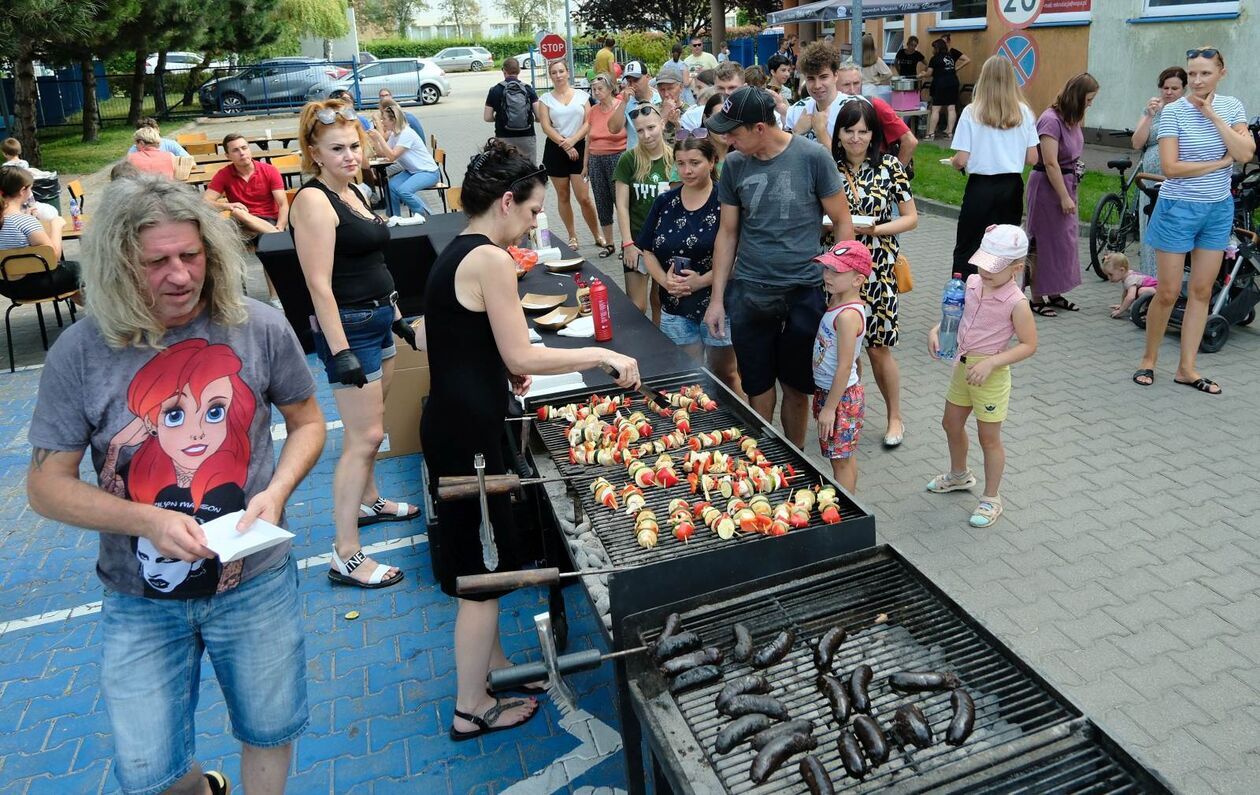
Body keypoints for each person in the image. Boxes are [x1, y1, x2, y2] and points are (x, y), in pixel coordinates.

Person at [26, 174, 325, 795]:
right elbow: (46, 486)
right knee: (147, 770)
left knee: (269, 729)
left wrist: (279, 491)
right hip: (139, 597)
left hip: (255, 577)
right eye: (156, 262)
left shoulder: (257, 325)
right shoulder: (82, 352)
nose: (180, 276)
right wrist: (147, 521)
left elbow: (307, 422)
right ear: (117, 266)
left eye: (191, 256)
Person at [423, 139, 639, 741]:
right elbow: (522, 351)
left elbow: (453, 338)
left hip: (458, 419)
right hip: (468, 434)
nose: (536, 221)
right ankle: (470, 708)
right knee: (482, 576)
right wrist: (600, 353)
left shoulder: (461, 249)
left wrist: (499, 366)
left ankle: (491, 670)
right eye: (534, 210)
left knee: (483, 563)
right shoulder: (490, 258)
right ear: (506, 201)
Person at [290, 100, 419, 589]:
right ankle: (345, 554)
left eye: (354, 146)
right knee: (363, 437)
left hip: (379, 320)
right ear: (314, 153)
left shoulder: (355, 191)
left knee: (374, 427)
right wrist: (340, 350)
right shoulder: (314, 201)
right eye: (337, 149)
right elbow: (318, 285)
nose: (350, 155)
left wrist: (400, 318)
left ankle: (370, 500)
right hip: (351, 328)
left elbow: (372, 265)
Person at [704, 87, 854, 449]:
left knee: (797, 386)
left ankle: (795, 458)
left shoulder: (813, 157)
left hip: (804, 291)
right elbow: (727, 234)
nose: (726, 139)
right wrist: (717, 298)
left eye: (732, 132)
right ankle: (764, 456)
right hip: (751, 292)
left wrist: (843, 293)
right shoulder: (735, 165)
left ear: (759, 128)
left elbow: (843, 223)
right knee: (757, 384)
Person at [1135, 47, 1253, 394]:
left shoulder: (1232, 107)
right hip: (1177, 207)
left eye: (1205, 73)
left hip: (1217, 210)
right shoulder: (1173, 112)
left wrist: (1215, 116)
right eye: (1192, 74)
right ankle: (1148, 360)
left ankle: (1186, 368)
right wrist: (1219, 164)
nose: (1197, 81)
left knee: (1202, 291)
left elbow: (1245, 153)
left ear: (1221, 72)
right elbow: (1172, 168)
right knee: (1169, 292)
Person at [927, 224, 1037, 528]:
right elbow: (955, 315)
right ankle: (959, 475)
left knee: (988, 438)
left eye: (993, 267)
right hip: (962, 366)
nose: (984, 271)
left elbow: (1029, 345)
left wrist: (992, 363)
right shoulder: (973, 282)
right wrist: (937, 330)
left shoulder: (1017, 302)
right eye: (983, 262)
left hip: (990, 374)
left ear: (1016, 268)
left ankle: (991, 498)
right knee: (950, 423)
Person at [832, 99, 918, 448]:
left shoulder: (890, 167)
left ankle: (894, 416)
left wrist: (876, 230)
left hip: (879, 267)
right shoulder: (827, 168)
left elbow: (910, 218)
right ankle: (847, 410)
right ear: (838, 133)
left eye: (863, 131)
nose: (856, 138)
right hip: (837, 271)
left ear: (874, 134)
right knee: (843, 346)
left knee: (879, 348)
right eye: (849, 131)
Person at [636, 136, 740, 394]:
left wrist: (701, 281)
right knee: (686, 376)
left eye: (695, 162)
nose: (687, 170)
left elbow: (739, 257)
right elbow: (647, 249)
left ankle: (740, 426)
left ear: (712, 161)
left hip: (717, 305)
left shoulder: (726, 201)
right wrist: (664, 280)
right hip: (675, 305)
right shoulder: (665, 201)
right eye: (681, 163)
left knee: (725, 373)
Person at [947, 56, 1040, 278]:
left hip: (981, 186)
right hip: (1011, 186)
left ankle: (966, 289)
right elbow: (1033, 158)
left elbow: (961, 158)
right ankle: (1001, 292)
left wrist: (954, 163)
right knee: (1005, 245)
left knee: (970, 243)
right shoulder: (1024, 112)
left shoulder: (972, 111)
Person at [1026, 73, 1099, 317]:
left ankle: (1055, 291)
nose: (1090, 104)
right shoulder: (1050, 120)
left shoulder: (1072, 119)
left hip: (1066, 183)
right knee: (1043, 242)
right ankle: (1036, 297)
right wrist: (1064, 196)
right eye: (1088, 99)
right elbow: (1050, 163)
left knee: (1062, 243)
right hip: (1048, 188)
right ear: (1077, 97)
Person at [786, 47, 916, 166]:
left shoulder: (856, 107)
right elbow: (784, 159)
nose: (817, 85)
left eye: (823, 77)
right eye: (811, 79)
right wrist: (796, 132)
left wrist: (821, 132)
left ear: (835, 75)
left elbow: (849, 168)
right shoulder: (796, 110)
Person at [811, 241, 870, 492]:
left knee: (841, 462)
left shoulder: (847, 316)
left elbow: (845, 366)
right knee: (843, 456)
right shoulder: (836, 301)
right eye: (827, 269)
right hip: (831, 392)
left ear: (857, 280)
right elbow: (855, 358)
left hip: (840, 399)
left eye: (836, 272)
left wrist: (830, 409)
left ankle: (848, 510)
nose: (827, 275)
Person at [538, 59, 606, 251]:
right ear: (550, 76)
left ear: (568, 72)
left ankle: (597, 234)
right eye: (554, 72)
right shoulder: (545, 99)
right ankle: (572, 236)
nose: (558, 75)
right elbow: (546, 126)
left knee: (584, 197)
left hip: (580, 148)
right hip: (556, 150)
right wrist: (565, 144)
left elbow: (588, 122)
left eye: (561, 71)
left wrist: (574, 141)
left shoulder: (582, 96)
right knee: (563, 195)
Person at [615, 106, 673, 317]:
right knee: (637, 306)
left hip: (665, 243)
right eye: (640, 130)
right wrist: (627, 243)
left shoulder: (674, 159)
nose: (646, 135)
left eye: (651, 127)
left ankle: (659, 346)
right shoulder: (628, 160)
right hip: (637, 243)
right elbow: (621, 205)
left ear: (662, 125)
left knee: (660, 301)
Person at [1131, 66, 1188, 275]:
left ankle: (1172, 285)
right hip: (1149, 184)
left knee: (1172, 236)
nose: (1169, 92)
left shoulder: (1188, 111)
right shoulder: (1153, 110)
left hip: (1176, 183)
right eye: (1165, 87)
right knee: (1150, 233)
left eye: (1175, 88)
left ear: (1184, 89)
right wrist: (1148, 115)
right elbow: (1137, 143)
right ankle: (1150, 283)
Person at [0, 167, 80, 301]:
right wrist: (56, 226)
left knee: (75, 282)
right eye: (30, 188)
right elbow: (53, 257)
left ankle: (99, 315)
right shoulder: (25, 221)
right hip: (37, 285)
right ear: (22, 191)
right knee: (86, 270)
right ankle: (109, 316)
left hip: (7, 287)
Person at [367, 98, 442, 218]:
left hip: (428, 172)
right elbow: (382, 154)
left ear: (394, 120)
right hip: (413, 171)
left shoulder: (406, 133)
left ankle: (426, 214)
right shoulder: (395, 134)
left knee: (404, 191)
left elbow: (392, 156)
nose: (382, 122)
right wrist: (376, 140)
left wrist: (380, 138)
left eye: (384, 119)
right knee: (390, 186)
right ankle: (394, 217)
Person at [204, 133, 288, 240]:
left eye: (244, 148)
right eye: (235, 150)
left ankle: (276, 234)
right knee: (236, 214)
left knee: (238, 217)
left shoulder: (269, 170)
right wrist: (228, 206)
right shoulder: (223, 174)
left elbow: (283, 204)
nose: (242, 153)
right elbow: (204, 203)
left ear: (249, 149)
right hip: (241, 222)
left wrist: (280, 227)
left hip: (268, 220)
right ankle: (277, 236)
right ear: (227, 156)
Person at [585, 74, 627, 259]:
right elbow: (588, 138)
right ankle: (609, 243)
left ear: (610, 88)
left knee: (621, 202)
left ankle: (626, 242)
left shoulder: (620, 106)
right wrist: (585, 163)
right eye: (594, 89)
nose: (596, 92)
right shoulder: (593, 110)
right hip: (596, 158)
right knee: (602, 201)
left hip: (617, 157)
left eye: (600, 88)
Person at [484, 57, 540, 162]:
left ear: (504, 71)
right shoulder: (528, 89)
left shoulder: (495, 90)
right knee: (529, 171)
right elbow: (539, 116)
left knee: (505, 171)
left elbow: (487, 117)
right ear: (519, 70)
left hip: (503, 138)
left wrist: (499, 118)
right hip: (527, 136)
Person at [607, 61, 659, 149]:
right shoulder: (626, 102)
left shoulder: (659, 98)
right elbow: (613, 129)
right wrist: (623, 103)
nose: (632, 85)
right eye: (629, 81)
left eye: (636, 80)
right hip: (635, 158)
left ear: (647, 77)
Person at [925, 38, 969, 139]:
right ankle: (949, 133)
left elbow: (929, 73)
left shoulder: (934, 58)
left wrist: (922, 75)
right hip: (953, 82)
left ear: (937, 48)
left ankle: (931, 133)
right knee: (951, 108)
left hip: (940, 84)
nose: (932, 50)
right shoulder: (951, 56)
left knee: (935, 109)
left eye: (933, 48)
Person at [1102, 252, 1158, 318]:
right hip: (1155, 289)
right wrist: (1122, 306)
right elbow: (1125, 293)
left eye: (1111, 274)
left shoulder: (1130, 279)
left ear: (1122, 270)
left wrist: (1120, 311)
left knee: (1142, 291)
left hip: (1158, 290)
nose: (1109, 278)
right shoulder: (1126, 276)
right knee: (1141, 291)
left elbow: (1130, 297)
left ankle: (1150, 312)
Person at [656, 62, 692, 144]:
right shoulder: (652, 110)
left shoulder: (690, 112)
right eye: (662, 90)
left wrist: (678, 125)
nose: (666, 94)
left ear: (681, 87)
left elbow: (691, 145)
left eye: (670, 88)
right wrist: (664, 114)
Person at [126, 117, 191, 158]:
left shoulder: (170, 144)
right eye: (145, 132)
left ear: (158, 130)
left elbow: (188, 160)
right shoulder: (134, 150)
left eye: (152, 131)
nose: (150, 134)